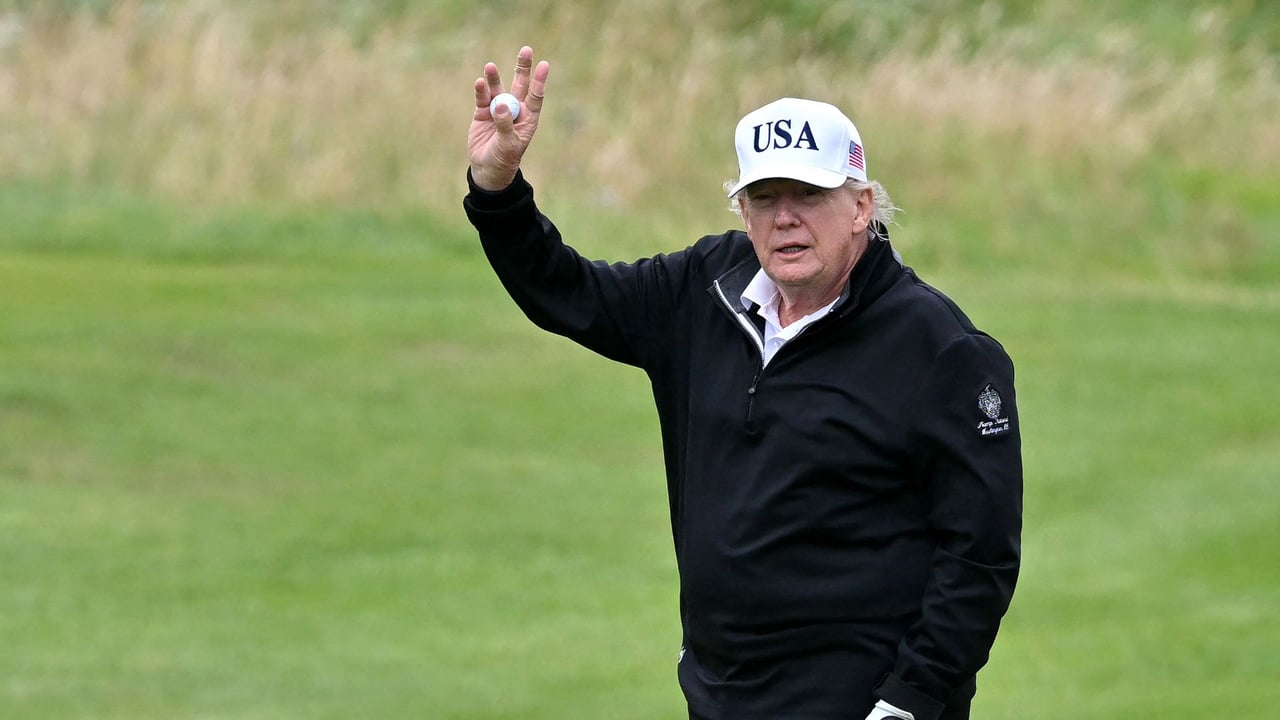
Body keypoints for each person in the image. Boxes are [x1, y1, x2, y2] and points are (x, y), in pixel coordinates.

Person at [463, 46, 1022, 720]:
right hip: (722, 695)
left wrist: (913, 698)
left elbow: (979, 554)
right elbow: (568, 292)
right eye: (763, 198)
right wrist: (498, 189)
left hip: (858, 705)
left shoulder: (940, 350)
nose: (784, 217)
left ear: (861, 207)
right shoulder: (704, 289)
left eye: (809, 195)